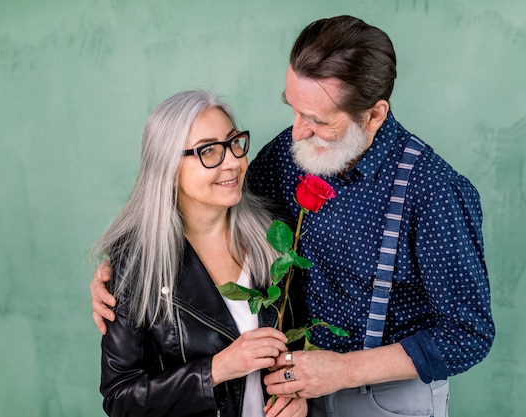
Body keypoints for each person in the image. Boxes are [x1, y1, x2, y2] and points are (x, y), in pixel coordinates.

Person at [91, 16, 495, 417]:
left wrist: (343, 370)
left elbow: (469, 335)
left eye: (318, 121)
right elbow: (209, 208)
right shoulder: (288, 155)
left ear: (374, 115)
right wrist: (126, 272)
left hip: (386, 399)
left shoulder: (435, 193)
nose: (297, 131)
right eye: (294, 110)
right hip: (294, 395)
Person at [91, 90, 307, 417]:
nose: (234, 161)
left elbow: (299, 348)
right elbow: (121, 398)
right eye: (208, 151)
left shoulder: (274, 237)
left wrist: (298, 396)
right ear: (168, 167)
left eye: (234, 142)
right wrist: (216, 369)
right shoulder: (136, 265)